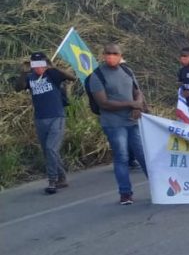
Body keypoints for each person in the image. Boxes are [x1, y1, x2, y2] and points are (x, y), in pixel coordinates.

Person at [87, 43, 148, 205]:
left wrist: (138, 104)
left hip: (132, 121)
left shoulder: (127, 71)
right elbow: (104, 103)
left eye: (114, 53)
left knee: (142, 155)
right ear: (103, 55)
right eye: (108, 53)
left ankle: (158, 185)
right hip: (114, 124)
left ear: (120, 56)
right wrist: (131, 104)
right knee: (122, 157)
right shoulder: (97, 76)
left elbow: (137, 92)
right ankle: (125, 193)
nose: (111, 56)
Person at [15, 52, 75, 194]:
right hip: (40, 118)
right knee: (48, 151)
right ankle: (62, 178)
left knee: (51, 149)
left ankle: (52, 181)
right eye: (34, 64)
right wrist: (24, 73)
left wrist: (52, 67)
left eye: (40, 64)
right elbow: (18, 88)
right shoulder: (30, 77)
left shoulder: (52, 74)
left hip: (56, 116)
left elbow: (71, 77)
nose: (38, 68)